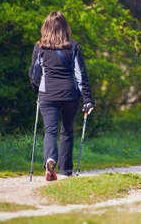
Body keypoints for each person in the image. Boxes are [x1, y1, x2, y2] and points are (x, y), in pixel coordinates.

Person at [29, 11, 94, 181]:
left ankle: (50, 160)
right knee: (67, 132)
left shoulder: (39, 47)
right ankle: (65, 169)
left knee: (50, 131)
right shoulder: (73, 46)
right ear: (65, 27)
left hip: (47, 95)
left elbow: (34, 74)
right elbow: (81, 75)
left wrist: (37, 90)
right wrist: (88, 99)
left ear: (46, 27)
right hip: (69, 95)